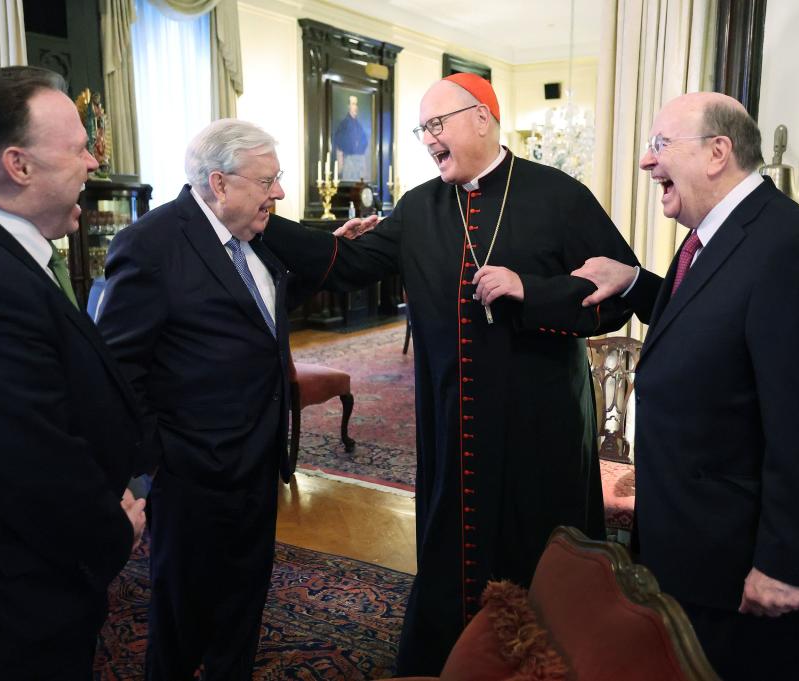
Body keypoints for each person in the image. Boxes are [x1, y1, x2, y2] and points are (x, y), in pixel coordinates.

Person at [262, 73, 640, 674]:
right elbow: (348, 262)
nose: (427, 139)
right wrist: (260, 221)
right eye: (423, 130)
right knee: (454, 548)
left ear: (482, 118)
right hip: (453, 420)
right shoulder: (420, 206)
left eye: (437, 125)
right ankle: (451, 656)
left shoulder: (559, 196)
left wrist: (530, 290)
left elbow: (618, 294)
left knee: (536, 548)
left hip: (539, 422)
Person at [571, 92, 799, 680]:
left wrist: (786, 563)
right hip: (698, 552)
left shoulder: (791, 249)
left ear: (717, 153)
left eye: (659, 146)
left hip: (748, 568)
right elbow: (714, 327)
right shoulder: (716, 234)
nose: (647, 163)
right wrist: (635, 285)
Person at [96, 118, 303, 680]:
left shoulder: (257, 240)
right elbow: (117, 369)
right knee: (182, 619)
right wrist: (158, 461)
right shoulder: (151, 244)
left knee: (243, 605)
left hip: (257, 461)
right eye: (268, 181)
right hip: (191, 475)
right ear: (220, 183)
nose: (278, 193)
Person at [0, 65, 147, 678]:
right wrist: (113, 525)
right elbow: (26, 461)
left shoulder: (1, 253)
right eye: (79, 148)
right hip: (13, 601)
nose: (95, 162)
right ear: (18, 165)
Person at [333, 94, 370, 180]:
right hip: (348, 163)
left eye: (356, 104)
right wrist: (340, 167)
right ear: (348, 106)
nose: (355, 107)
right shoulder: (343, 124)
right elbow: (339, 149)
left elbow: (364, 149)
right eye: (353, 104)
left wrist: (364, 166)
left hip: (359, 164)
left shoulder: (360, 126)